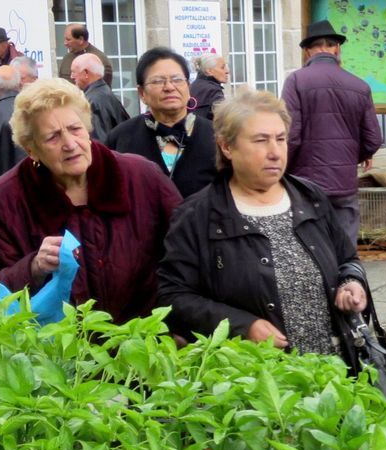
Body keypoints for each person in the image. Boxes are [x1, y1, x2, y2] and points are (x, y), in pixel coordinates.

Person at [158, 90, 371, 364]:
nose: (274, 152)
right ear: (227, 147)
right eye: (260, 140)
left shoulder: (310, 198)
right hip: (254, 384)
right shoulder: (197, 215)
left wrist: (351, 282)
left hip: (332, 374)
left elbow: (346, 259)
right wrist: (241, 327)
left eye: (280, 139)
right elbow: (173, 296)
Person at [0, 79, 182, 323]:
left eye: (75, 129)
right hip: (55, 352)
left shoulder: (142, 177)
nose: (70, 144)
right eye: (53, 137)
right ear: (32, 150)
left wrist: (176, 327)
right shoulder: (2, 201)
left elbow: (186, 255)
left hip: (142, 344)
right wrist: (33, 267)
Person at [283, 20, 383, 245]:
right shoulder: (360, 85)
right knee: (345, 251)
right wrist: (349, 157)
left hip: (304, 184)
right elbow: (374, 139)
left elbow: (291, 135)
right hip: (344, 184)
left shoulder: (296, 81)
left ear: (308, 51)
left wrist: (283, 171)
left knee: (309, 250)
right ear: (336, 49)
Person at [106, 47, 217, 198]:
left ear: (188, 87)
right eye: (158, 81)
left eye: (177, 80)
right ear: (142, 93)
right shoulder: (121, 138)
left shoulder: (216, 136)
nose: (169, 87)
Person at [72, 53, 128, 140]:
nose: (71, 76)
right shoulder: (104, 94)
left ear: (86, 73)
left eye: (73, 72)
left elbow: (99, 144)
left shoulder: (94, 101)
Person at [190, 54, 229, 121]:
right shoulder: (213, 91)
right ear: (209, 71)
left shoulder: (192, 86)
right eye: (222, 67)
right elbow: (224, 120)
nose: (227, 71)